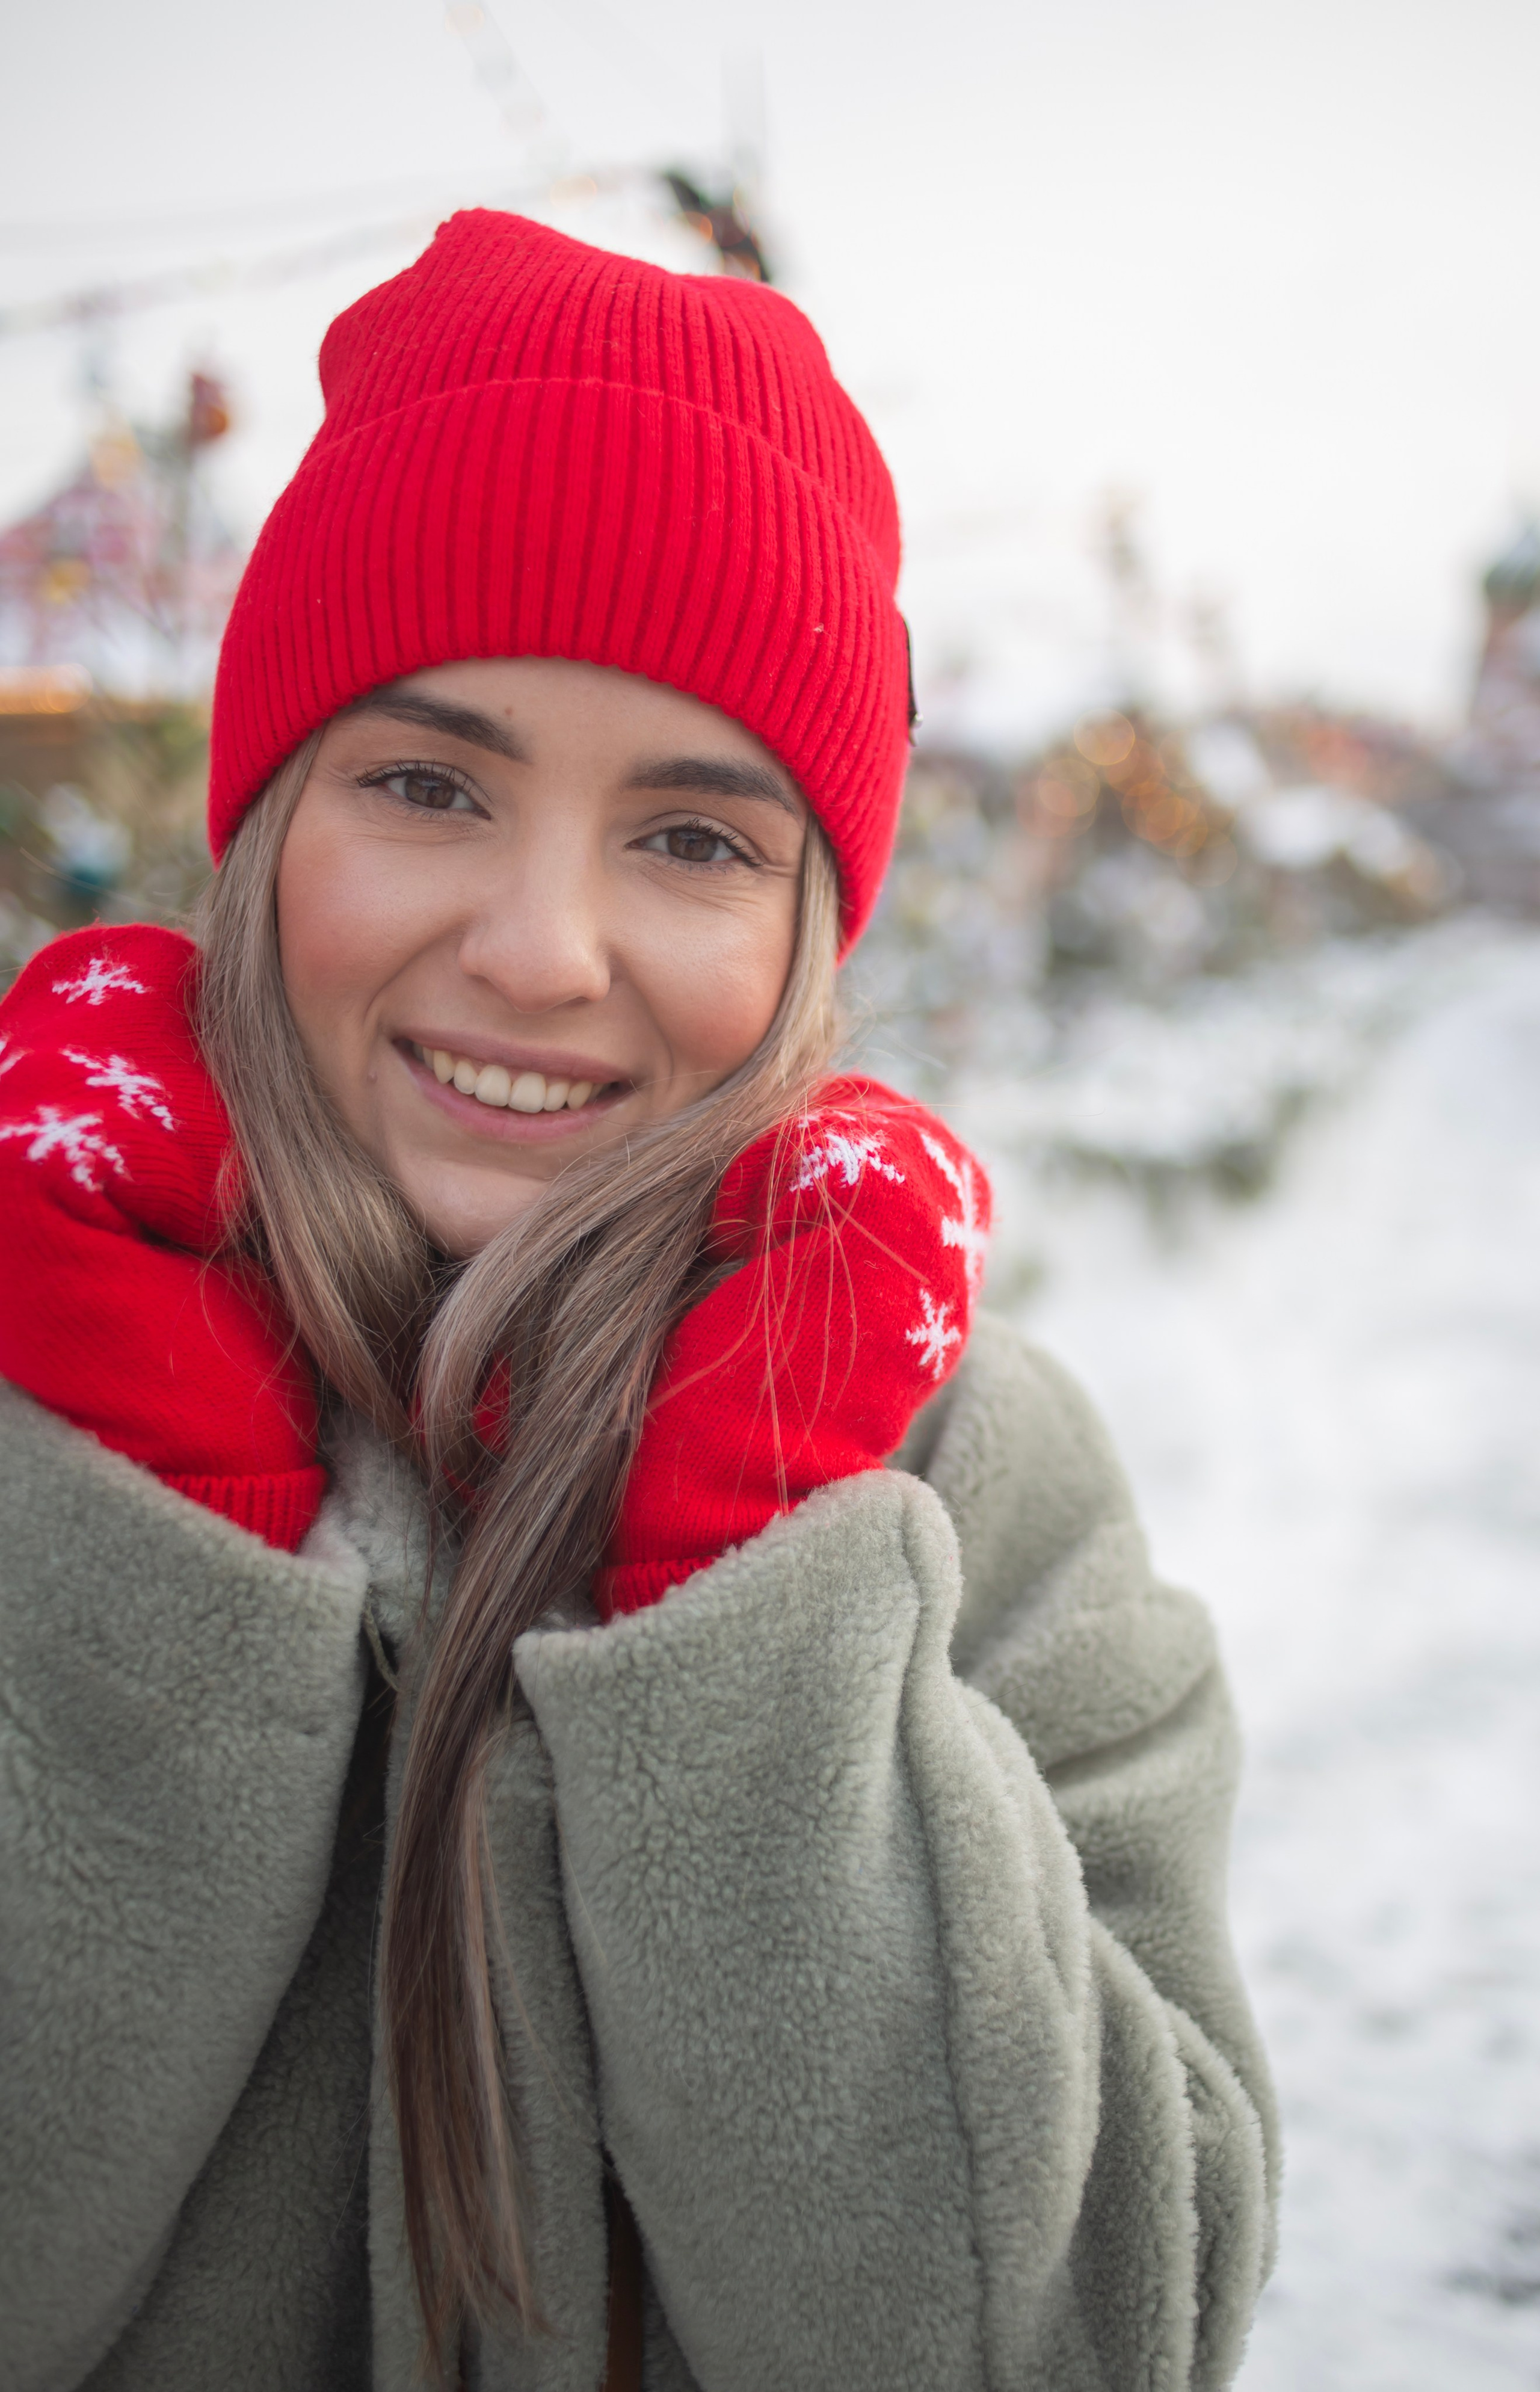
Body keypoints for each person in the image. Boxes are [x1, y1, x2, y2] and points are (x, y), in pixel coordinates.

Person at [0, 212, 1277, 2392]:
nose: (541, 948)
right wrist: (115, 1550)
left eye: (692, 840)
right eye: (428, 786)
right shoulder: (34, 1378)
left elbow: (1081, 2340)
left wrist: (762, 1599)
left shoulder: (969, 1477)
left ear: (807, 934)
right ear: (269, 825)